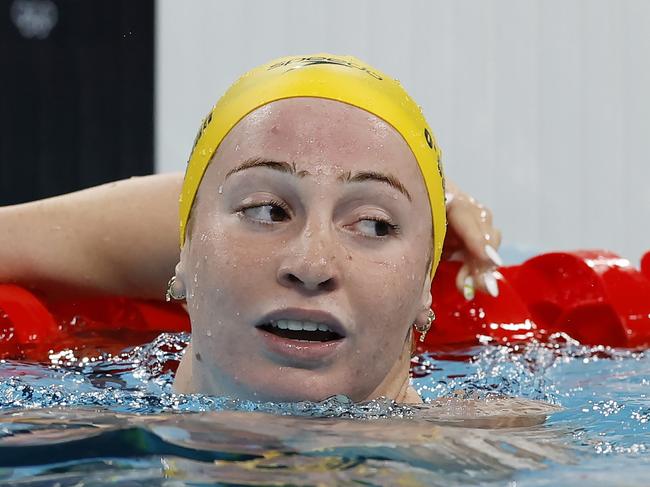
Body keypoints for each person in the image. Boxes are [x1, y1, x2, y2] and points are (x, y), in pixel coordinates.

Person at [0, 54, 502, 403]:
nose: (312, 265)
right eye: (267, 212)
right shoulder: (54, 425)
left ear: (425, 285)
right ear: (183, 251)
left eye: (373, 225)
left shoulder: (495, 450)